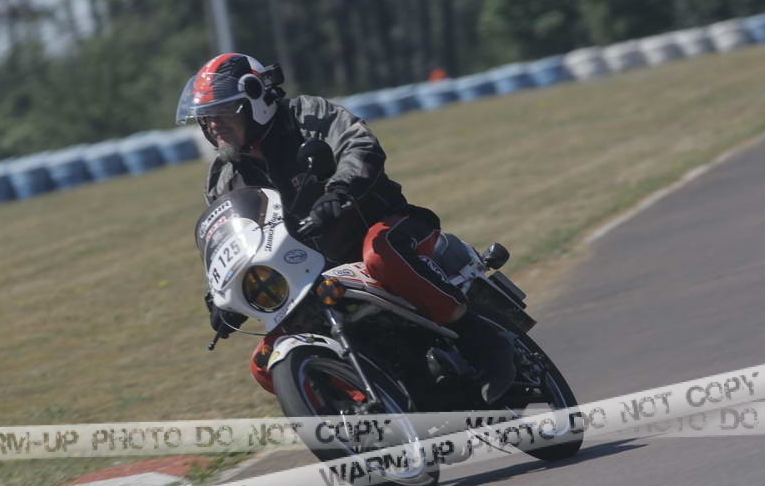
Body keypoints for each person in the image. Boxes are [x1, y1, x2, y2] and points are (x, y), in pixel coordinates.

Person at [176, 52, 515, 404]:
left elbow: (360, 145)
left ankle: (484, 341)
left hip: (380, 227)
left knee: (381, 255)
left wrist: (338, 193)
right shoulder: (222, 179)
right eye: (205, 117)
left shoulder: (307, 116)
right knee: (262, 364)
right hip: (306, 272)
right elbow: (228, 239)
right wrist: (221, 296)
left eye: (222, 111)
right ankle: (370, 405)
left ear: (255, 100)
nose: (213, 125)